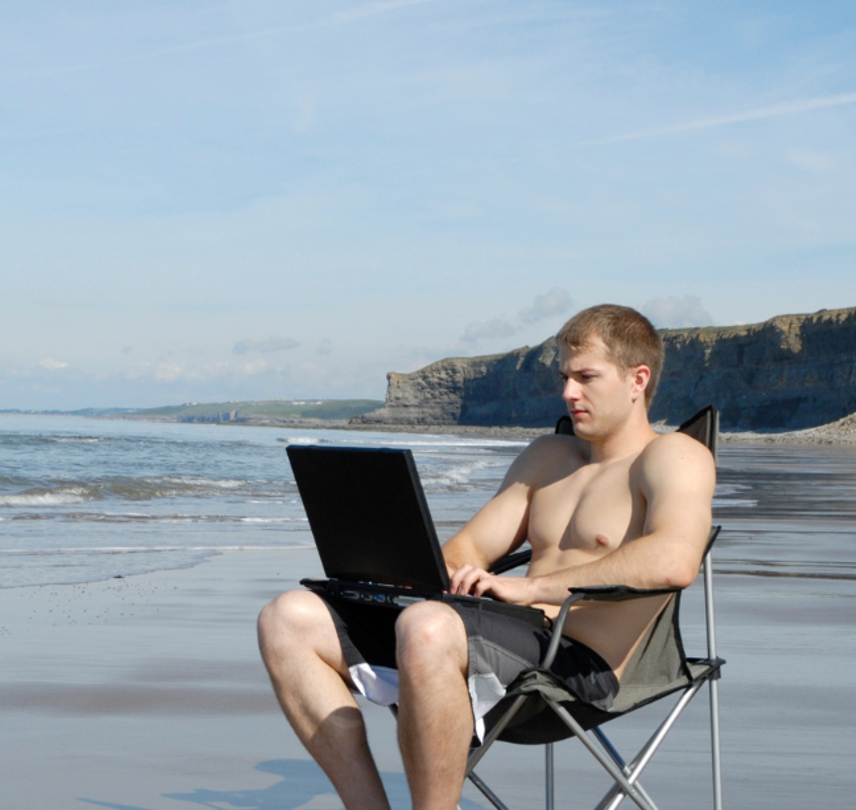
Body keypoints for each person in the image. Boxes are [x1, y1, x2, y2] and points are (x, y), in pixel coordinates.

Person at [257, 304, 717, 810]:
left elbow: (674, 560)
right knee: (287, 618)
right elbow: (469, 547)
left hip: (576, 670)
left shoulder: (672, 456)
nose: (568, 393)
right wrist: (425, 573)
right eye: (565, 376)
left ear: (638, 380)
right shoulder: (548, 457)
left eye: (587, 377)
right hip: (495, 637)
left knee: (427, 627)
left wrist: (531, 588)